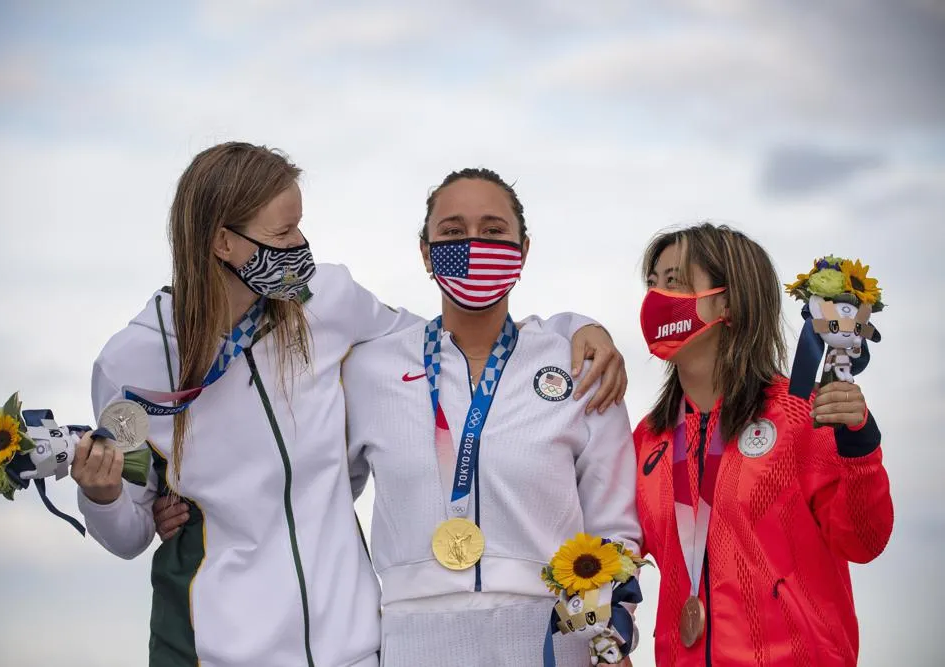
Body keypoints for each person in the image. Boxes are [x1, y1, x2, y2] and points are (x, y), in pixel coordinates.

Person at [71, 142, 626, 667]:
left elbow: (447, 339)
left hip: (352, 646)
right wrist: (101, 495)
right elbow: (130, 531)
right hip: (211, 647)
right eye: (285, 231)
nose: (300, 246)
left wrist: (573, 328)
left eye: (300, 224)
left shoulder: (326, 302)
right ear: (223, 242)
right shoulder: (135, 365)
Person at [340, 168, 642, 666]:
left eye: (494, 231)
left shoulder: (578, 363)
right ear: (425, 251)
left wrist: (608, 644)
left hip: (552, 636)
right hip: (412, 639)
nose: (475, 245)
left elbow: (614, 525)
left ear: (523, 250)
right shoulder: (372, 370)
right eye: (454, 232)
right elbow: (320, 502)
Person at [633, 222, 893, 666]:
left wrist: (859, 444)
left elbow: (863, 540)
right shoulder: (647, 438)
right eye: (652, 283)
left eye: (674, 282)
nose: (655, 298)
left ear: (729, 302)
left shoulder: (799, 414)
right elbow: (610, 557)